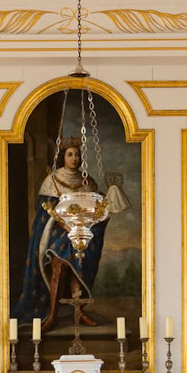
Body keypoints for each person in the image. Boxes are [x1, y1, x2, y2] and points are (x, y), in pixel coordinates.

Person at [16, 137, 130, 329]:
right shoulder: (52, 180)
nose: (75, 158)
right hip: (58, 231)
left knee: (79, 262)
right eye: (70, 154)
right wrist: (68, 228)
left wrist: (111, 196)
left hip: (81, 232)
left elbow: (98, 208)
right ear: (63, 157)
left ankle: (79, 312)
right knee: (60, 265)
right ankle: (52, 315)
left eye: (77, 154)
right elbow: (47, 211)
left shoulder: (88, 181)